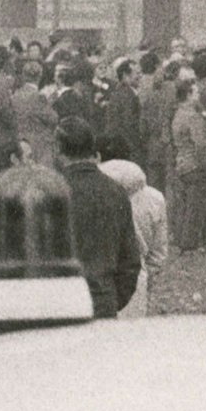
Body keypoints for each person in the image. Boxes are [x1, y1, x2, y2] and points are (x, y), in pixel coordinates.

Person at [55, 118, 141, 319]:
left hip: (62, 302)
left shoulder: (51, 192)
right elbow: (130, 260)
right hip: (104, 299)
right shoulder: (116, 191)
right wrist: (113, 299)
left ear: (59, 149)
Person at [99, 157, 168, 319]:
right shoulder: (155, 198)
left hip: (98, 282)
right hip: (137, 277)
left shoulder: (91, 195)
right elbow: (159, 252)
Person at [170, 79, 206, 253]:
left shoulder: (178, 113)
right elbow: (201, 145)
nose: (199, 95)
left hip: (183, 164)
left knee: (189, 205)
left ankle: (184, 241)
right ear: (188, 95)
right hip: (196, 165)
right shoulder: (192, 116)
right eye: (196, 92)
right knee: (202, 205)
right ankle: (195, 243)